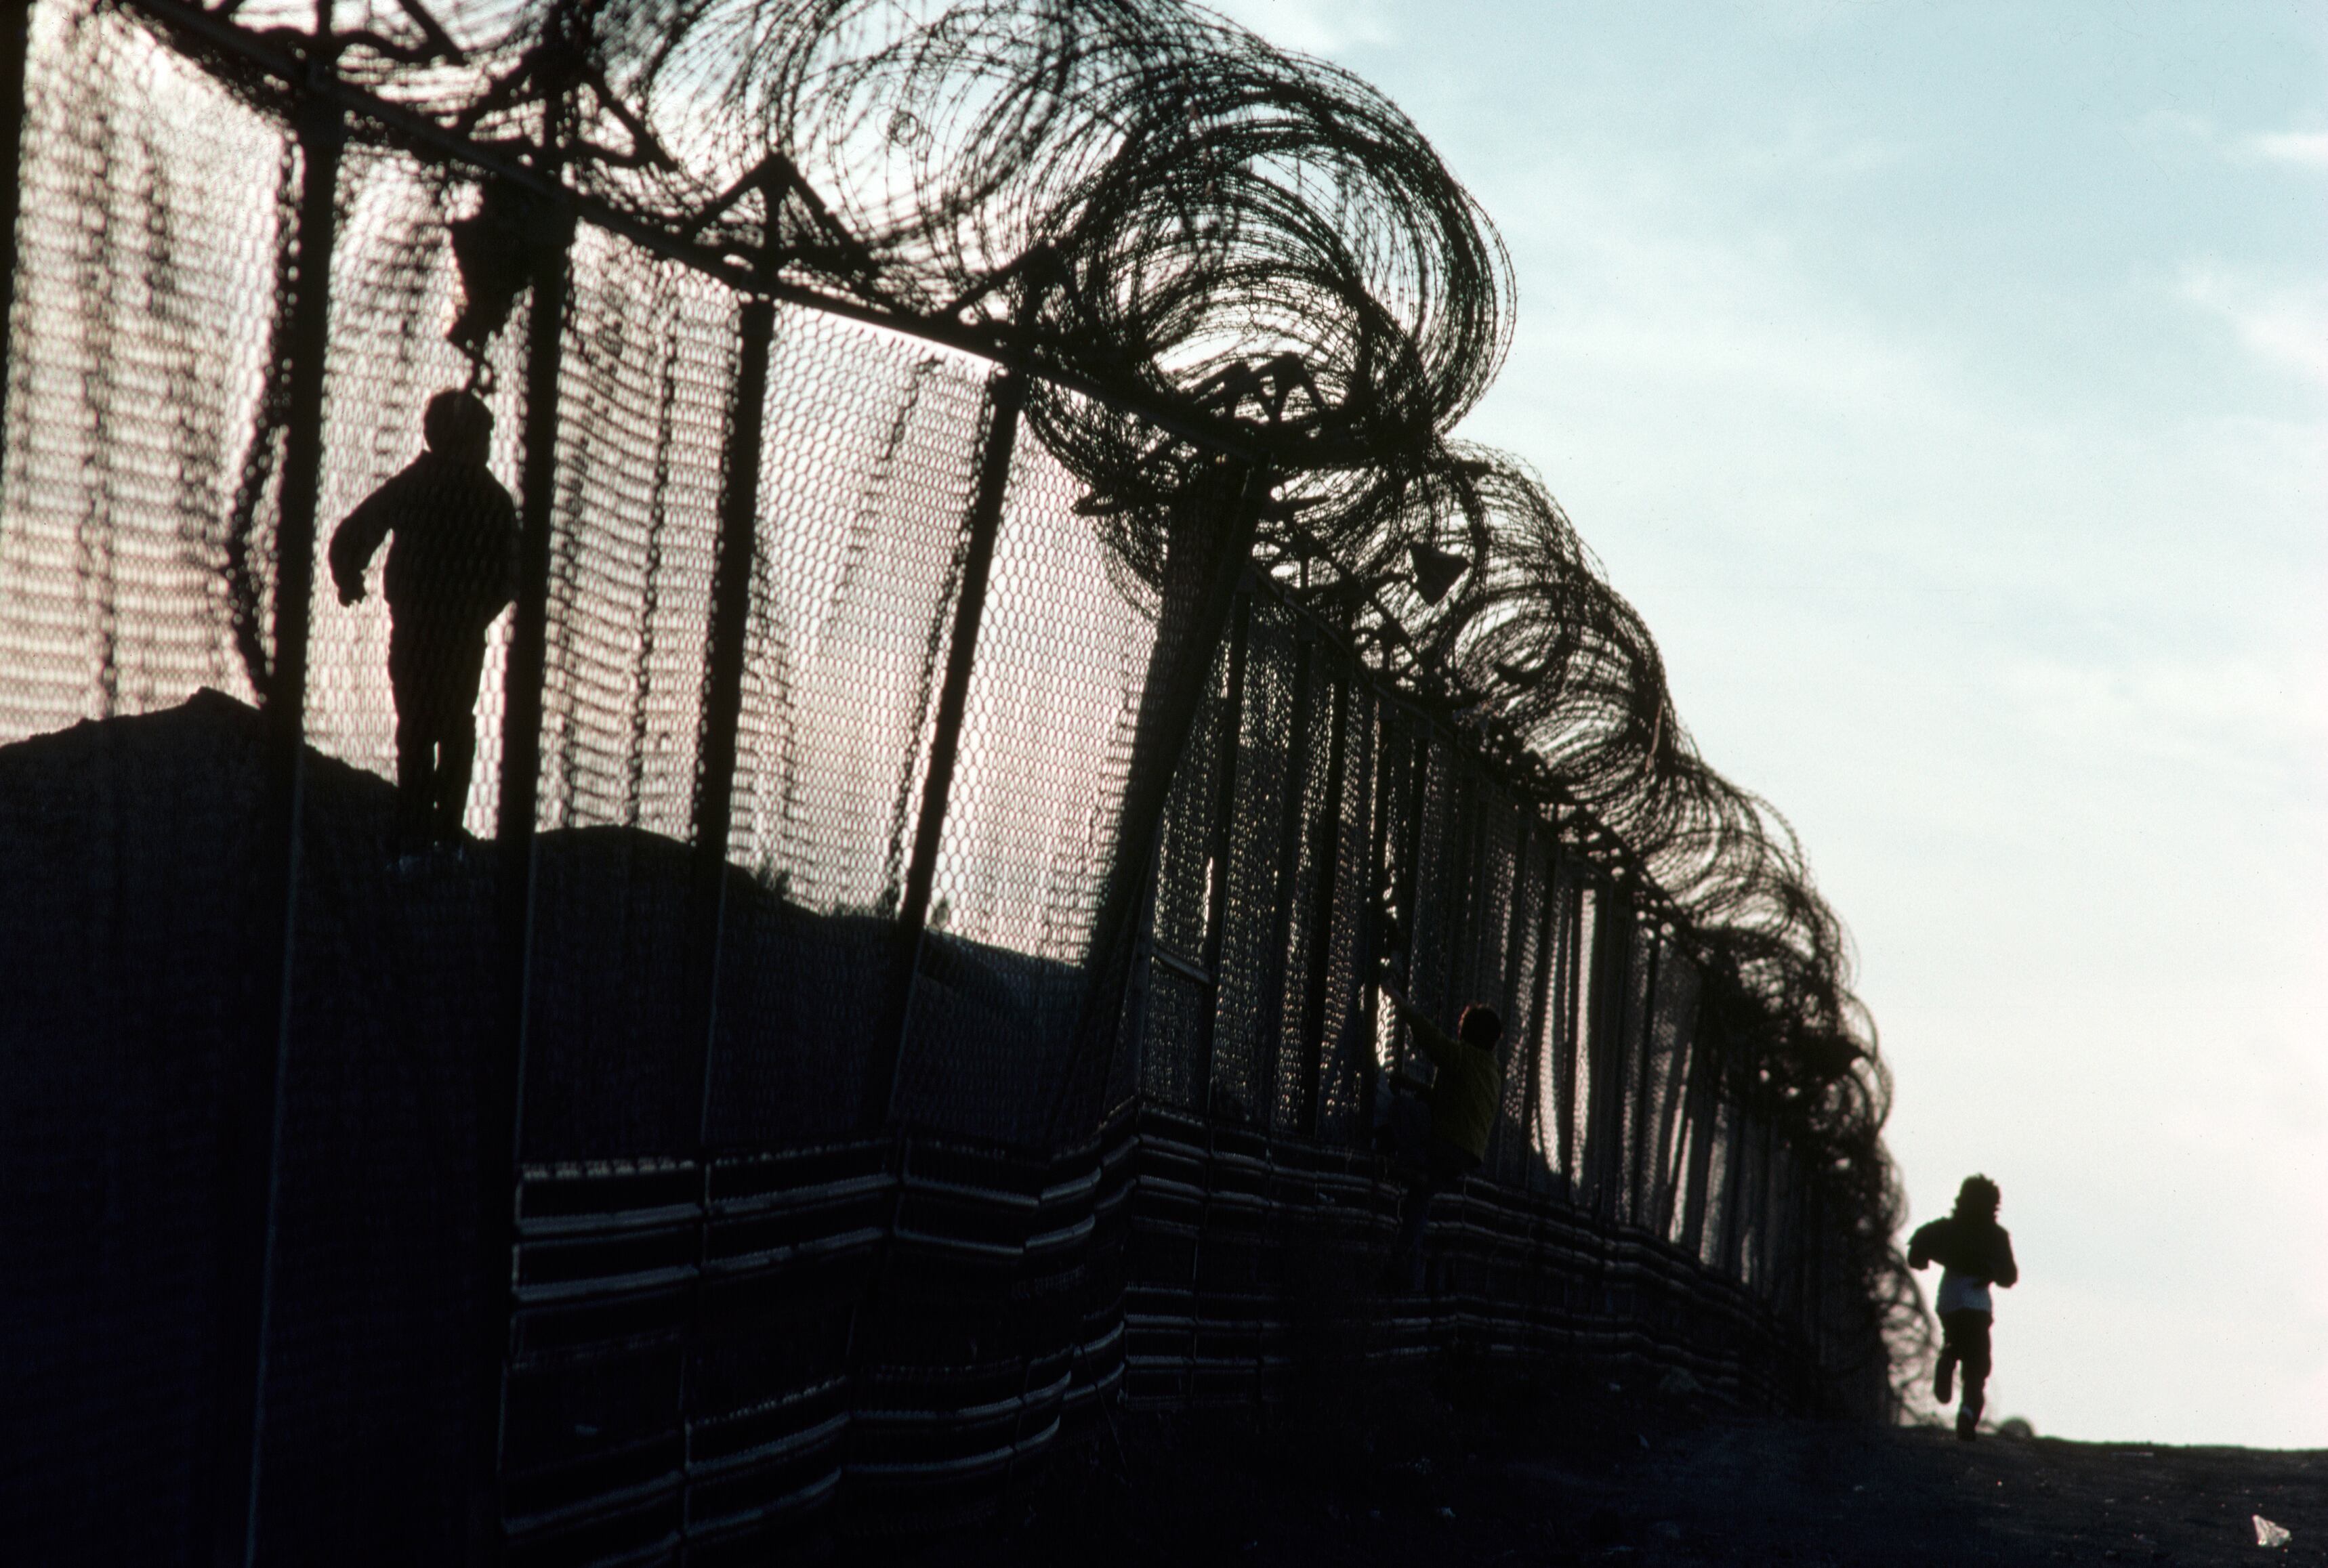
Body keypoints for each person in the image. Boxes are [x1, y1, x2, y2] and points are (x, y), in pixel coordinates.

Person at [328, 390, 519, 850]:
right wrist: (478, 612)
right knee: (446, 726)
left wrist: (349, 575)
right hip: (448, 633)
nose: (488, 446)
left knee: (424, 727)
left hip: (429, 631)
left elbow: (356, 531)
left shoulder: (427, 486)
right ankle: (439, 833)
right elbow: (513, 574)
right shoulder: (486, 497)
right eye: (482, 436)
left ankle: (423, 832)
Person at [1377, 979, 1503, 1292]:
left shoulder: (1465, 1057)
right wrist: (1416, 1085)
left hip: (1445, 1144)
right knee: (1420, 1200)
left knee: (1403, 1110)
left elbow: (1431, 1041)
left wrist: (1402, 1005)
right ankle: (1404, 1268)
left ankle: (1405, 1157)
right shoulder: (1490, 1071)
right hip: (1464, 1155)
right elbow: (1453, 1104)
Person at [1907, 1174, 2018, 1441]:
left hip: (1950, 1298)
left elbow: (1917, 1250)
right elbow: (2010, 1277)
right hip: (1977, 1300)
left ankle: (1949, 1355)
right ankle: (1968, 1414)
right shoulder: (1996, 1236)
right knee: (1978, 1366)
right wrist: (1991, 1270)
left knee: (1957, 1338)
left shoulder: (1947, 1228)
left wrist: (1925, 1259)